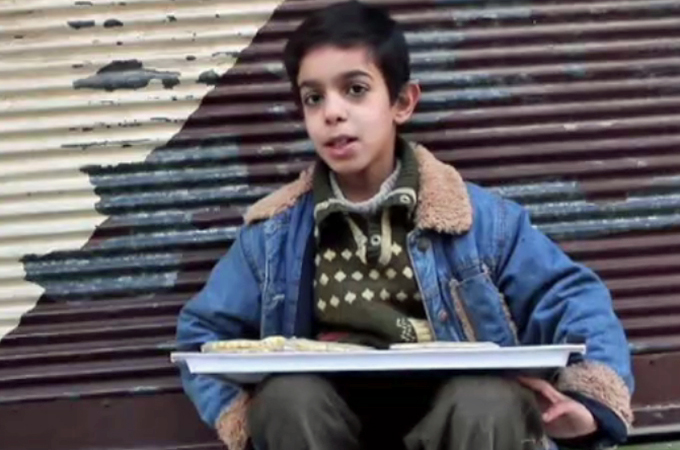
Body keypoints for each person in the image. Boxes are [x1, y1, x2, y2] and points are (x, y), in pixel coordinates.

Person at [176, 2, 633, 449]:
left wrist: (589, 401)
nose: (332, 112)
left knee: (488, 398)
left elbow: (573, 297)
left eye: (355, 89)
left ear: (402, 102)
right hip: (329, 425)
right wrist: (240, 418)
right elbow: (202, 331)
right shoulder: (275, 234)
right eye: (314, 98)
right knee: (285, 398)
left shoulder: (479, 220)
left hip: (458, 422)